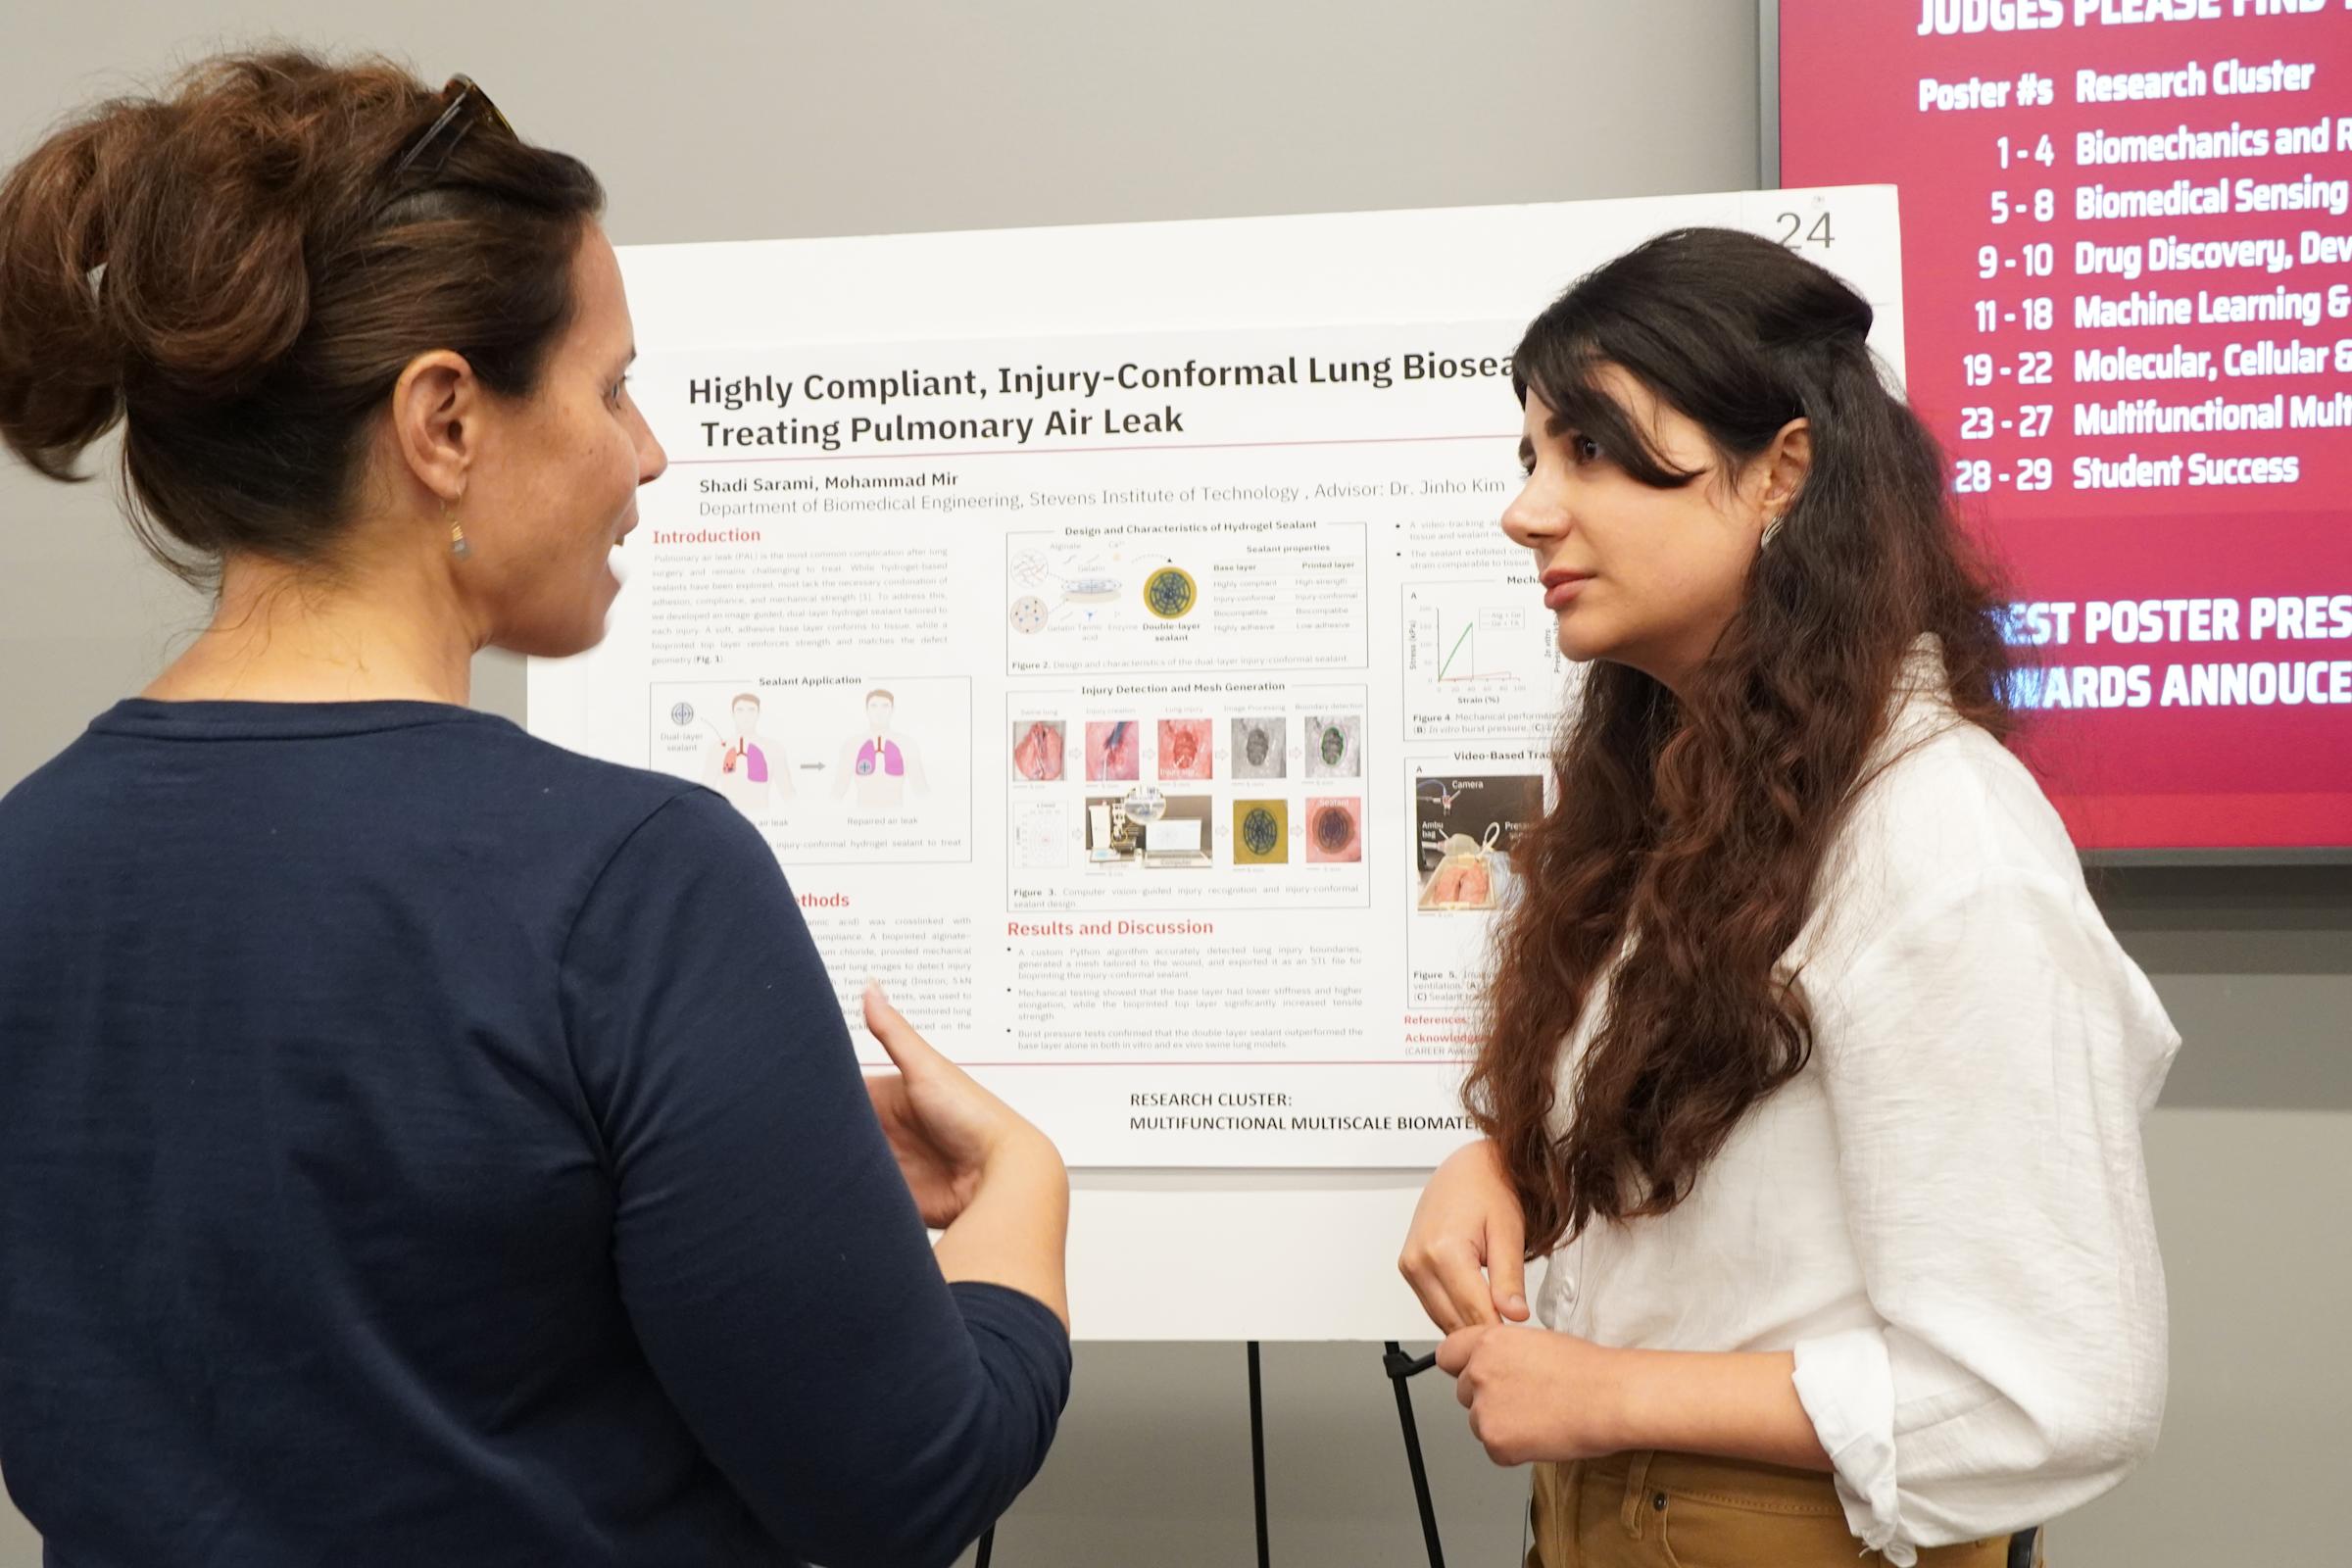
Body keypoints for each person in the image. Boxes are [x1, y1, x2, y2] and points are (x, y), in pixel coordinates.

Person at [0, 54, 1070, 1568]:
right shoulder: (640, 885)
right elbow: (902, 1486)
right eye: (613, 386)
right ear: (445, 419)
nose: (647, 450)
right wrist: (1025, 1211)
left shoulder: (20, 867)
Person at [1398, 228, 2179, 1568]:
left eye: (1590, 448)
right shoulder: (1688, 799)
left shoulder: (1944, 844)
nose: (1528, 508)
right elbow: (1733, 1201)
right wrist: (1508, 1169)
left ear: (1783, 471)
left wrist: (1609, 1392)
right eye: (1530, 456)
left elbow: (2053, 1394)